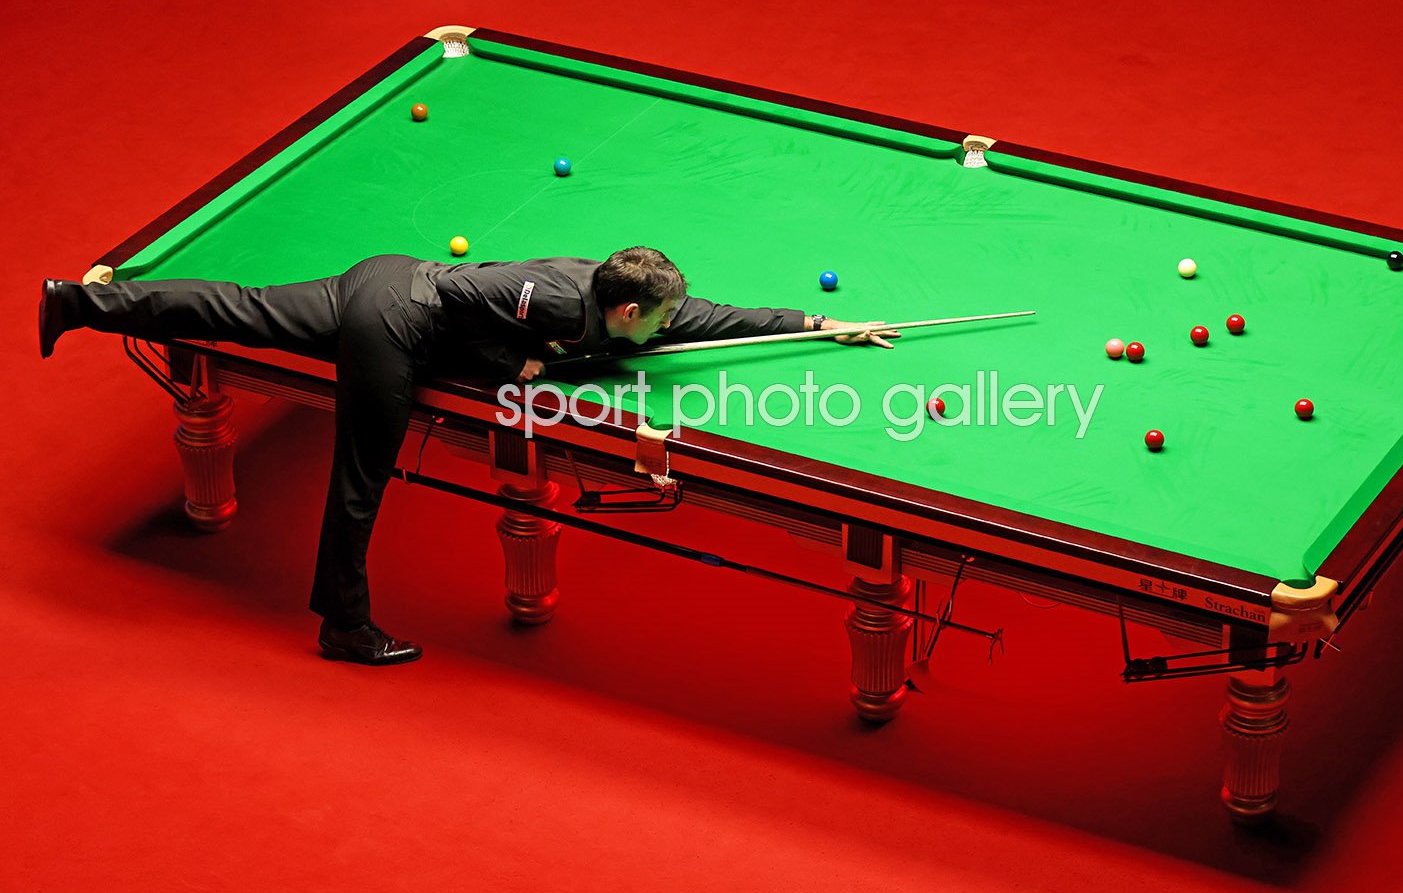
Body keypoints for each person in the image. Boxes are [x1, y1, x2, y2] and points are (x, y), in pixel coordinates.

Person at [39, 247, 896, 665]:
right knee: (362, 474)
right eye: (658, 320)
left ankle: (76, 302)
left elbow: (716, 317)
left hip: (378, 279)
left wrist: (823, 326)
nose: (670, 328)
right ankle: (343, 625)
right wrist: (506, 366)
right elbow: (453, 297)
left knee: (238, 310)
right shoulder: (554, 297)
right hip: (394, 319)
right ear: (625, 307)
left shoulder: (627, 301)